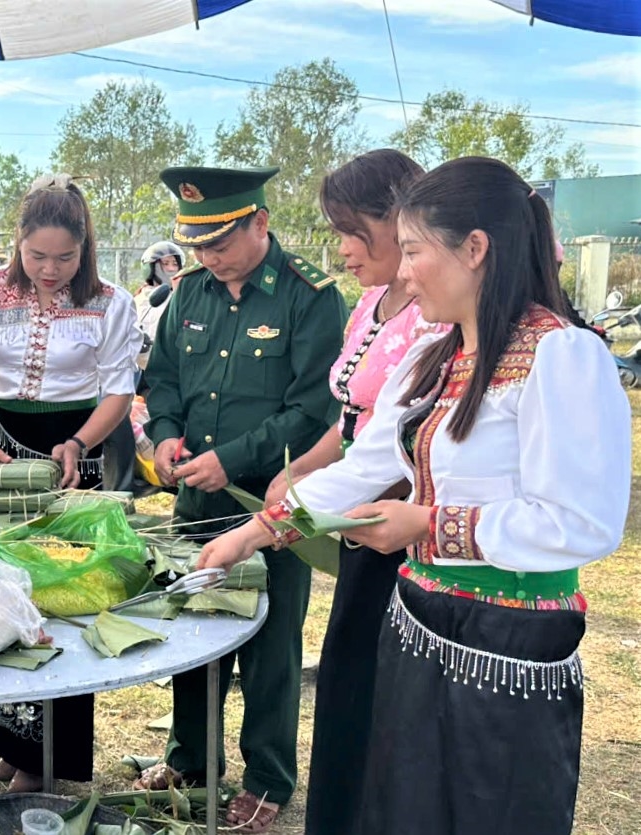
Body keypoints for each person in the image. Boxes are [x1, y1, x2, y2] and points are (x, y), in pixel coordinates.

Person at [199, 156, 631, 835]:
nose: (400, 271)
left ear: (475, 248)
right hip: (417, 622)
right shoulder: (430, 358)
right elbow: (363, 464)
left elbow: (582, 522)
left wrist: (425, 524)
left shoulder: (562, 355)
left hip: (509, 641)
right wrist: (252, 533)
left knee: (487, 807)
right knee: (403, 805)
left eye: (411, 250)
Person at [138, 166, 348, 832]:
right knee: (192, 633)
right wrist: (167, 436)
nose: (206, 256)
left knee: (269, 645)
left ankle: (267, 777)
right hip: (193, 501)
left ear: (259, 222)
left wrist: (230, 458)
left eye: (219, 240)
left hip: (270, 505)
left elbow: (314, 407)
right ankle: (191, 760)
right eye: (196, 243)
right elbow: (163, 377)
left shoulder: (308, 296)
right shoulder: (188, 292)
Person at [256, 149, 446, 835]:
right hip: (354, 514)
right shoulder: (372, 301)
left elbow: (398, 437)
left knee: (372, 693)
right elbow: (351, 422)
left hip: (398, 527)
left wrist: (300, 499)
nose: (339, 249)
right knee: (343, 684)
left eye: (348, 229)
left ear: (398, 218)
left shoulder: (437, 311)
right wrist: (302, 470)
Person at [0, 172, 142, 792]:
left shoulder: (111, 302)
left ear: (86, 247)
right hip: (5, 449)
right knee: (4, 586)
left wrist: (81, 443)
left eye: (64, 257)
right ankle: (12, 741)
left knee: (66, 594)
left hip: (76, 450)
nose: (49, 269)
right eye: (36, 256)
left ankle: (51, 758)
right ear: (17, 243)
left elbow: (119, 388)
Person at [134, 240, 185, 368]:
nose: (171, 269)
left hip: (168, 369)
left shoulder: (181, 298)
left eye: (175, 264)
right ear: (150, 267)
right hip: (138, 369)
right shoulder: (138, 299)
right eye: (165, 263)